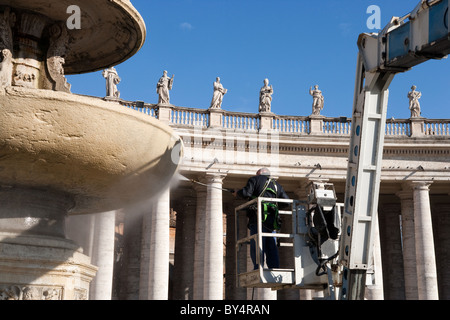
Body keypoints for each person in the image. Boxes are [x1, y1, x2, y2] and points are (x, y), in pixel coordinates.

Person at [233, 167, 289, 270]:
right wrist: (274, 206)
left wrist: (237, 193)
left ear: (259, 173)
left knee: (257, 243)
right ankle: (274, 267)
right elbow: (286, 202)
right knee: (271, 244)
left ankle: (258, 266)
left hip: (257, 218)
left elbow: (246, 193)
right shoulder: (276, 185)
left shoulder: (254, 180)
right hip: (272, 221)